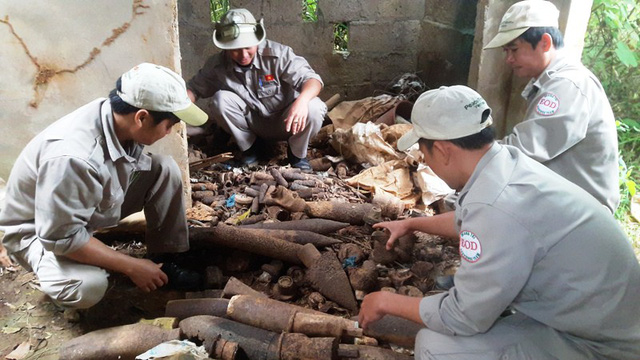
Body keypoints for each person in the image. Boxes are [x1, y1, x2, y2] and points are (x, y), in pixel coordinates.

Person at [358, 85, 640, 359]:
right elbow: (470, 220)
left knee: (434, 346)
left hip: (603, 346)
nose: (427, 162)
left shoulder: (494, 204)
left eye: (424, 152)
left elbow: (463, 317)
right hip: (597, 318)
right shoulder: (506, 164)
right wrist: (412, 224)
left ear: (443, 150)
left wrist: (385, 301)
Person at [0, 63, 208, 310]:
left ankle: (164, 261)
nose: (169, 131)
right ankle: (68, 269)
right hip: (38, 230)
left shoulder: (116, 116)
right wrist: (130, 265)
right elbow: (60, 237)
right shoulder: (73, 157)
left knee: (164, 169)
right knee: (86, 287)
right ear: (142, 117)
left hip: (77, 211)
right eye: (168, 125)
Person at [484, 0, 619, 213]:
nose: (508, 59)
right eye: (505, 51)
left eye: (514, 50)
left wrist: (471, 155)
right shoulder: (551, 80)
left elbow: (523, 153)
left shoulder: (567, 85)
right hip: (561, 201)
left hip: (583, 214)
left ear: (545, 43)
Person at [186, 8, 327, 170]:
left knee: (315, 106)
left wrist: (302, 101)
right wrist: (174, 109)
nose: (243, 54)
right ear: (225, 47)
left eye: (248, 47)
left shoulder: (278, 54)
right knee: (220, 100)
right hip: (254, 126)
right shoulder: (218, 65)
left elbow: (313, 80)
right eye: (236, 49)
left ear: (257, 40)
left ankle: (297, 155)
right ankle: (251, 151)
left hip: (287, 123)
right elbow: (193, 90)